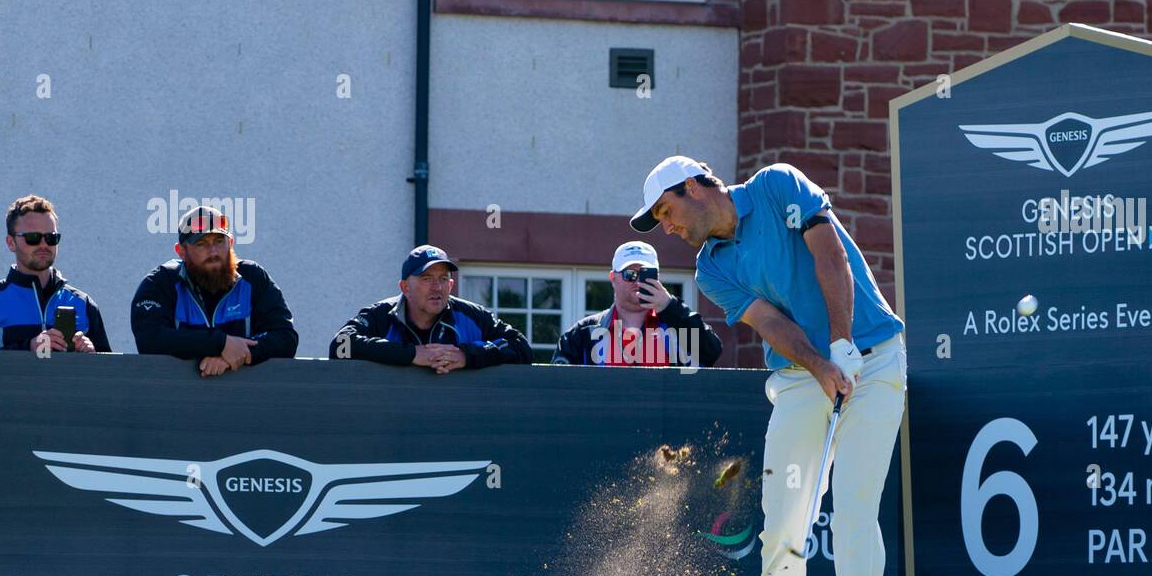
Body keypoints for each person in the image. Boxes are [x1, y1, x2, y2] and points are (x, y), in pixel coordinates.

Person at [631, 155, 906, 576]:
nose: (669, 228)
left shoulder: (777, 184)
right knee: (783, 521)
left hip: (872, 361)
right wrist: (823, 365)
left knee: (853, 513)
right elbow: (771, 324)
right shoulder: (711, 269)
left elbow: (829, 254)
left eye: (667, 211)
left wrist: (843, 344)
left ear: (694, 187)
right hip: (803, 375)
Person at [131, 205, 298, 376]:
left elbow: (285, 337)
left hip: (246, 397)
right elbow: (150, 339)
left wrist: (236, 354)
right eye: (201, 244)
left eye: (219, 241)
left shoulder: (253, 278)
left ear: (231, 243)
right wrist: (221, 343)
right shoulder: (160, 283)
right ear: (181, 251)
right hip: (176, 398)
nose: (213, 251)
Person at [329, 245, 532, 371]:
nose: (437, 287)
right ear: (405, 287)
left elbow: (521, 348)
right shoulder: (382, 314)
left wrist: (466, 356)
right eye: (426, 279)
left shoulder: (471, 315)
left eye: (443, 279)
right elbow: (340, 346)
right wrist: (412, 355)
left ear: (451, 286)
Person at [552, 240, 721, 368]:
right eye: (630, 274)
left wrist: (670, 306)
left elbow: (711, 352)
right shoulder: (583, 333)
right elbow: (558, 387)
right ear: (613, 278)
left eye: (645, 274)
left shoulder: (676, 326)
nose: (637, 281)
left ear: (658, 278)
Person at [0, 195, 110, 353]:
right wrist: (29, 347)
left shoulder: (83, 303)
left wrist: (92, 354)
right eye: (33, 238)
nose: (43, 245)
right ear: (11, 242)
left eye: (51, 237)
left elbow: (108, 374)